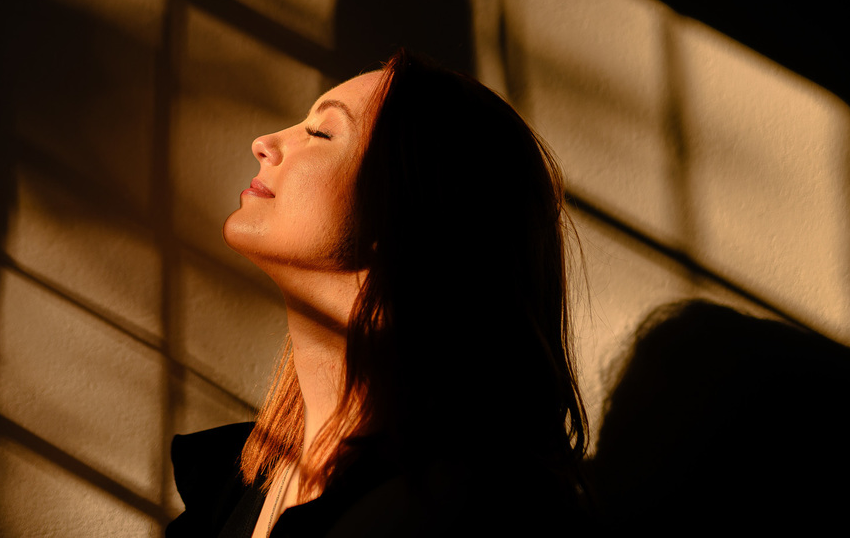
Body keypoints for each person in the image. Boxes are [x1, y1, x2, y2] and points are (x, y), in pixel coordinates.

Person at [167, 50, 589, 537]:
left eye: (321, 133)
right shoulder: (237, 483)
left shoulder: (458, 511)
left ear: (412, 213)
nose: (264, 143)